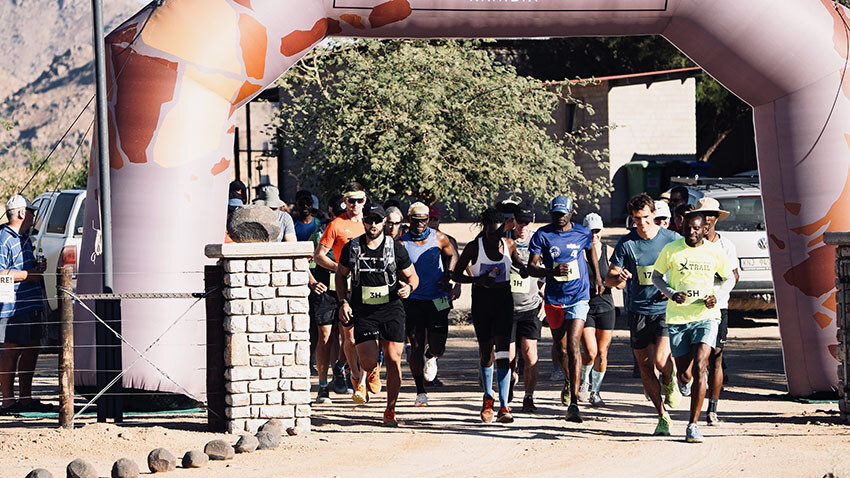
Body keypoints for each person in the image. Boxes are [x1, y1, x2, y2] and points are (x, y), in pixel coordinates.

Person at [652, 210, 735, 443]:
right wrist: (670, 293)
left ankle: (693, 425)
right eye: (688, 228)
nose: (692, 232)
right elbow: (656, 277)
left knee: (701, 365)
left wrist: (716, 297)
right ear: (681, 227)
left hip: (706, 316)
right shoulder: (672, 250)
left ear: (704, 229)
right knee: (686, 372)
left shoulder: (714, 252)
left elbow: (729, 278)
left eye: (697, 228)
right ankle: (682, 381)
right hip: (678, 319)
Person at [336, 202, 419, 426]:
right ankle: (367, 372)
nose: (372, 224)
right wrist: (343, 301)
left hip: (391, 308)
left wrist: (409, 288)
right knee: (369, 360)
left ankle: (390, 409)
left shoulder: (395, 248)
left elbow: (413, 277)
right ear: (363, 221)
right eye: (369, 220)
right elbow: (340, 274)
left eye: (377, 220)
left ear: (384, 222)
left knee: (393, 360)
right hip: (364, 310)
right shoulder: (352, 247)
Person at [606, 194, 681, 435]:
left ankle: (670, 380)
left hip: (664, 310)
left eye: (646, 218)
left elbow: (685, 267)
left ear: (654, 216)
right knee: (645, 366)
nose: (642, 224)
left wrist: (672, 289)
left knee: (660, 361)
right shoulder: (627, 244)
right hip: (638, 311)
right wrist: (620, 278)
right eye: (637, 219)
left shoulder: (671, 239)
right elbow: (610, 279)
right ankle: (662, 416)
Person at [527, 195, 602, 423]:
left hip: (578, 296)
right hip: (554, 297)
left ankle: (574, 403)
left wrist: (597, 277)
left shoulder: (582, 233)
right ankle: (569, 382)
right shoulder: (543, 234)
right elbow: (531, 267)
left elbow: (591, 253)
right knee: (561, 350)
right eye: (555, 214)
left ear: (571, 213)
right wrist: (551, 273)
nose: (559, 218)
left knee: (573, 345)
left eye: (563, 214)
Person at [453, 208, 528, 424]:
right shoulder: (473, 247)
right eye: (491, 233)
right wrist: (477, 280)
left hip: (504, 302)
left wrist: (522, 269)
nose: (495, 237)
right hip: (482, 304)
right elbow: (455, 273)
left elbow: (516, 262)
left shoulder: (509, 245)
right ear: (485, 229)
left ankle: (504, 405)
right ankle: (488, 399)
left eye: (499, 233)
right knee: (487, 352)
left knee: (504, 353)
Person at [314, 183, 378, 400]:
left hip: (360, 288)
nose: (355, 205)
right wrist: (340, 269)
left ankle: (350, 373)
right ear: (345, 201)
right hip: (334, 288)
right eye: (351, 200)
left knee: (352, 336)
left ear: (365, 200)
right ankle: (324, 385)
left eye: (360, 200)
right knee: (326, 337)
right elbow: (318, 255)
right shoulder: (335, 225)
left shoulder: (371, 223)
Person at [398, 202, 459, 407]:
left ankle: (431, 355)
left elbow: (453, 255)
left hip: (439, 298)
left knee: (438, 346)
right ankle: (420, 391)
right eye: (417, 220)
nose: (421, 224)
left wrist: (449, 276)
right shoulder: (402, 242)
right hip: (414, 300)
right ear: (409, 220)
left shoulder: (439, 238)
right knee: (414, 345)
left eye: (424, 220)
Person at [0, 195, 51, 413]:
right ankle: (8, 401)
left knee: (32, 348)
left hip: (31, 304)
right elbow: (1, 274)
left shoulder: (24, 238)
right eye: (30, 211)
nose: (33, 215)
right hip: (12, 307)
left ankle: (26, 399)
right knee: (11, 351)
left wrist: (37, 269)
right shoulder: (3, 239)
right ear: (21, 213)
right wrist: (27, 274)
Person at [692, 197, 740, 426]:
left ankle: (712, 407)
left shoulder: (726, 246)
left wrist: (717, 292)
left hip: (718, 307)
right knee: (696, 358)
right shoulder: (689, 243)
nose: (708, 219)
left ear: (716, 219)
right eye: (705, 215)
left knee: (716, 357)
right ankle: (690, 394)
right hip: (692, 308)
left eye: (712, 215)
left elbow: (734, 275)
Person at [578, 213, 619, 408]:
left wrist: (621, 279)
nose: (594, 235)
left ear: (602, 231)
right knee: (590, 351)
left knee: (602, 352)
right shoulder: (579, 252)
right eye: (590, 231)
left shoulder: (609, 251)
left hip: (606, 307)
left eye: (597, 231)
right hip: (586, 307)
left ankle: (596, 391)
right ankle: (584, 382)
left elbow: (618, 281)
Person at [508, 206, 543, 412]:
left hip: (531, 307)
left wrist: (545, 298)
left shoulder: (538, 242)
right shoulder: (504, 240)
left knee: (531, 355)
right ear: (513, 220)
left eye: (527, 222)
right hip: (508, 308)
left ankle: (529, 396)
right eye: (520, 222)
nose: (523, 226)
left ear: (533, 221)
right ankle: (509, 384)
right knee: (510, 356)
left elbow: (548, 270)